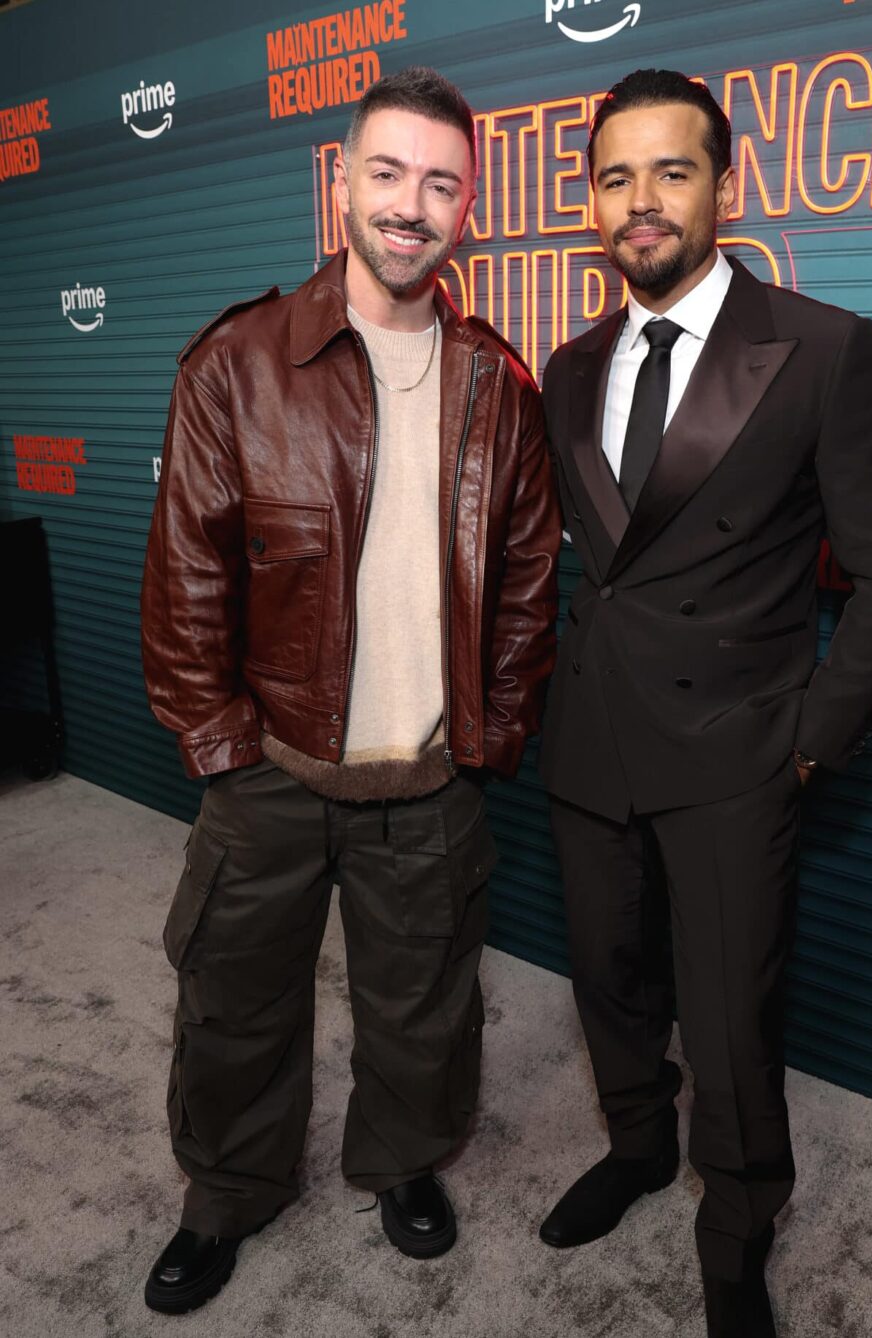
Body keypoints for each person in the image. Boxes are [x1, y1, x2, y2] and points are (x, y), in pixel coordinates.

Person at [140, 65, 560, 1315]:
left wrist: (493, 734)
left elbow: (532, 580)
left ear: (469, 207)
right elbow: (185, 577)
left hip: (428, 777)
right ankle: (226, 1196)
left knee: (422, 1012)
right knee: (232, 1010)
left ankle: (400, 1166)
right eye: (388, 173)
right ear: (343, 183)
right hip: (269, 772)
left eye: (440, 183)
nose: (410, 205)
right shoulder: (239, 361)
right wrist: (219, 746)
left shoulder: (499, 382)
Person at [536, 69, 872, 1337]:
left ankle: (738, 1221)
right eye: (614, 177)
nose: (640, 203)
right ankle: (640, 1147)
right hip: (592, 733)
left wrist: (807, 745)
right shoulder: (570, 362)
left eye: (671, 171)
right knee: (605, 977)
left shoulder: (823, 348)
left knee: (729, 1012)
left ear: (723, 184)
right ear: (590, 198)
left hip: (736, 748)